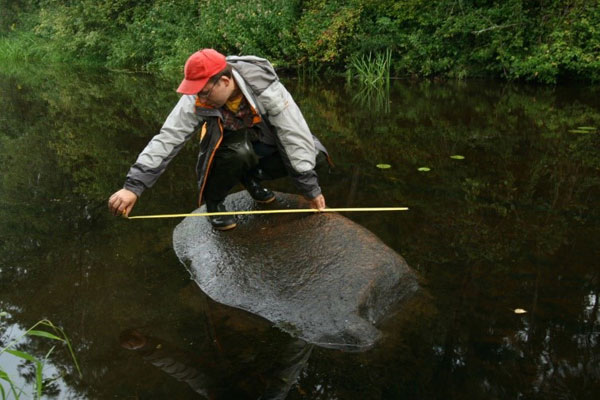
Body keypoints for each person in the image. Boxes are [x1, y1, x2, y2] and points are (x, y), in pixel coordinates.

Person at [108, 49, 330, 230]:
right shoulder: (197, 96)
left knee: (315, 155)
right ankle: (214, 203)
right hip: (228, 149)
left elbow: (293, 132)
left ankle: (252, 178)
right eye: (196, 94)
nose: (199, 99)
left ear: (225, 81)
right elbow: (168, 138)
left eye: (204, 93)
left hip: (263, 141)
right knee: (239, 152)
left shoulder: (264, 85)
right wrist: (133, 186)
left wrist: (309, 188)